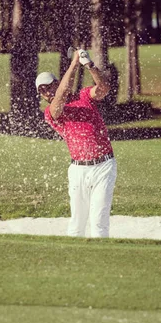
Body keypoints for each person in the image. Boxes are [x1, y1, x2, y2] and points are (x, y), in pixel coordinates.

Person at [36, 49, 117, 238]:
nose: (46, 92)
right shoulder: (50, 112)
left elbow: (104, 88)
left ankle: (100, 264)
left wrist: (89, 65)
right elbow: (62, 94)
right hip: (78, 170)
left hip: (104, 166)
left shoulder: (84, 96)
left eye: (48, 86)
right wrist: (74, 62)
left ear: (56, 82)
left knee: (99, 223)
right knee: (77, 225)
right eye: (42, 91)